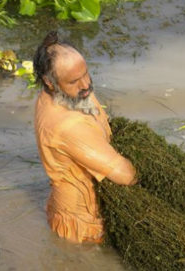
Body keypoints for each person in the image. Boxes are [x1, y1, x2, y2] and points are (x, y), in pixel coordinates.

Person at [33, 31, 137, 244]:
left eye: (85, 73)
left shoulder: (60, 94)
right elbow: (125, 175)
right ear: (49, 82)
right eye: (74, 81)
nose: (86, 85)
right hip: (81, 226)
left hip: (65, 207)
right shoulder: (68, 126)